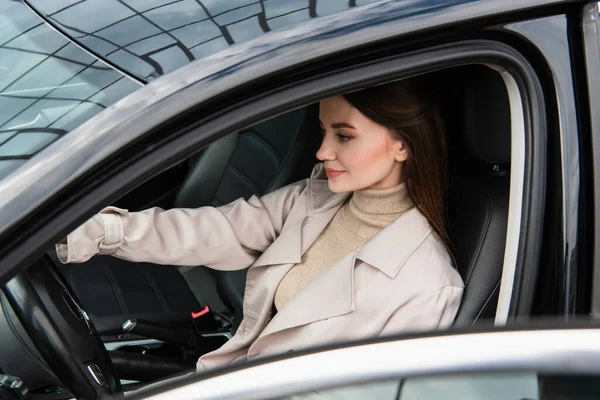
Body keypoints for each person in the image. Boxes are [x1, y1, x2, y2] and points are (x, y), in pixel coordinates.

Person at [56, 77, 464, 373]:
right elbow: (217, 231)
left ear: (403, 145)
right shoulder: (315, 196)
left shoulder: (426, 287)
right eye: (324, 131)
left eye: (344, 136)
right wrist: (88, 229)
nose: (322, 151)